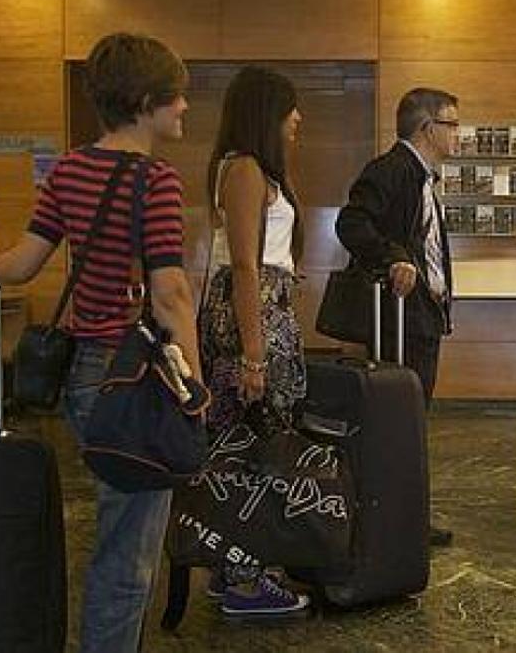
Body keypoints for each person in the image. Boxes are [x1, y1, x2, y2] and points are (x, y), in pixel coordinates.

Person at [0, 33, 199, 653]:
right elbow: (170, 293)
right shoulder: (157, 181)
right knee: (129, 550)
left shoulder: (68, 169)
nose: (184, 107)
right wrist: (191, 385)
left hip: (86, 375)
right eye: (176, 96)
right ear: (145, 102)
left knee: (120, 530)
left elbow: (25, 262)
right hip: (135, 376)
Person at [197, 65, 311, 618]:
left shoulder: (253, 169)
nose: (298, 118)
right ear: (267, 113)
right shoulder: (243, 169)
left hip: (262, 310)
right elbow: (245, 265)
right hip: (252, 317)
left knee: (244, 442)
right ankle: (246, 578)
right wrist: (255, 354)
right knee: (255, 444)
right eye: (290, 109)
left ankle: (233, 566)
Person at [335, 87, 458, 547]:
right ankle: (393, 519)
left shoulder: (421, 176)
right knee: (400, 420)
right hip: (400, 318)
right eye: (452, 124)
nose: (458, 134)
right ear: (427, 128)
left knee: (410, 418)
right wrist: (393, 258)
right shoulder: (391, 170)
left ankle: (403, 515)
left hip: (421, 314)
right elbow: (352, 223)